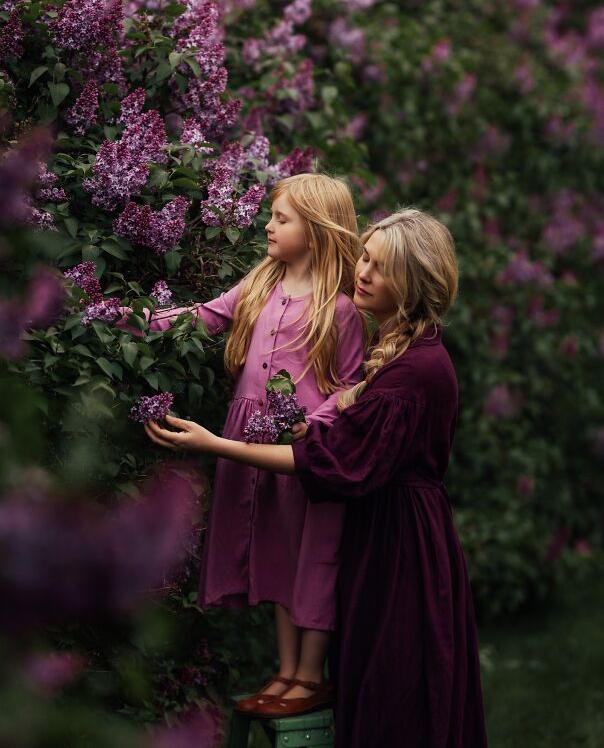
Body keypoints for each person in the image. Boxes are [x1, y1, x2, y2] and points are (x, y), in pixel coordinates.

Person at [145, 208, 489, 746]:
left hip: (402, 547)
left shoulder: (414, 370)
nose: (364, 273)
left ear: (414, 284)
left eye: (381, 268)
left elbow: (330, 463)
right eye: (366, 259)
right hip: (386, 532)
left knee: (398, 693)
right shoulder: (399, 348)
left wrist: (215, 445)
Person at [135, 173, 366, 714]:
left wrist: (315, 424)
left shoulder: (342, 310)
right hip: (248, 444)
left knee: (314, 558)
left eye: (281, 219)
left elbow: (352, 385)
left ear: (314, 232)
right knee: (274, 555)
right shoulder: (260, 286)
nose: (267, 224)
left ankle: (311, 677)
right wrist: (128, 322)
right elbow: (201, 319)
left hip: (302, 455)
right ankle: (285, 671)